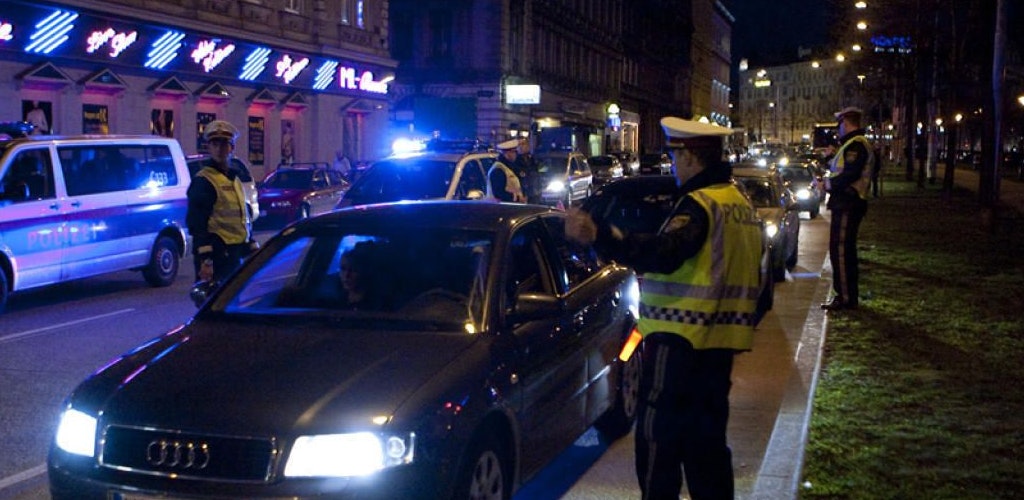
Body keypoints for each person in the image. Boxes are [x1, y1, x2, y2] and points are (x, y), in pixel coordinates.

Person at [565, 117, 763, 500]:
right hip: (719, 346)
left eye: (675, 155)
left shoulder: (700, 204)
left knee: (659, 442)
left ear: (690, 156)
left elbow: (664, 253)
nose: (673, 164)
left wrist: (601, 234)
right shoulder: (737, 201)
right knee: (707, 447)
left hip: (680, 342)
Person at [187, 119, 259, 284]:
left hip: (235, 254)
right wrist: (205, 260)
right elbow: (197, 224)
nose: (220, 149)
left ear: (232, 148)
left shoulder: (234, 179)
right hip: (216, 256)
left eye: (225, 144)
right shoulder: (204, 181)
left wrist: (251, 242)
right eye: (215, 144)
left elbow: (242, 216)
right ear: (209, 148)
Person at [821, 106, 874, 312]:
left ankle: (845, 298)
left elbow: (849, 175)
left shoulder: (856, 145)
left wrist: (826, 185)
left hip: (848, 203)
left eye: (839, 124)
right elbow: (840, 170)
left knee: (841, 251)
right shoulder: (851, 145)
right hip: (846, 203)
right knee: (843, 250)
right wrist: (829, 159)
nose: (838, 129)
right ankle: (846, 295)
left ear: (846, 122)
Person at [514, 137, 541, 203]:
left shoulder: (531, 159)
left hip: (534, 192)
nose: (521, 147)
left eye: (523, 144)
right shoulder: (515, 161)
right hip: (523, 193)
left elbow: (536, 173)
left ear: (528, 145)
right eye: (519, 145)